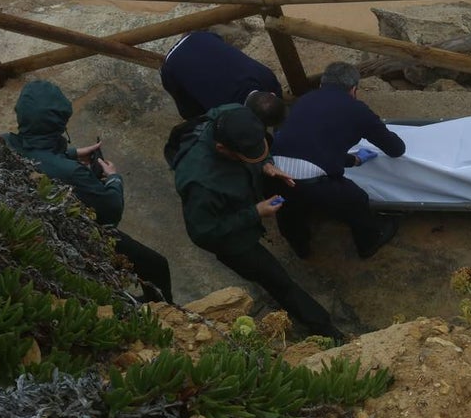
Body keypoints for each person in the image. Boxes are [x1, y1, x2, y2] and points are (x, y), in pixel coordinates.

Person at [170, 104, 343, 340]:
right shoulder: (201, 183)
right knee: (278, 280)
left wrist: (267, 164)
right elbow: (203, 233)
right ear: (222, 149)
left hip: (243, 199)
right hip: (234, 241)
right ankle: (324, 328)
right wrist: (255, 212)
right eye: (249, 156)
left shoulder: (235, 114)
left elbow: (258, 151)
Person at [4, 80, 173, 303]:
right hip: (74, 234)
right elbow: (110, 212)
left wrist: (69, 154)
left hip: (31, 228)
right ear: (60, 123)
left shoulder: (3, 142)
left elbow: (36, 152)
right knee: (156, 265)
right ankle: (161, 308)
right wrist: (113, 178)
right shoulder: (72, 173)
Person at [270, 62, 406, 260]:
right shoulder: (357, 110)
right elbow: (396, 149)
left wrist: (353, 160)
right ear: (353, 89)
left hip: (274, 173)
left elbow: (313, 146)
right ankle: (369, 242)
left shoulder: (303, 101)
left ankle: (300, 247)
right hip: (312, 183)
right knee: (356, 199)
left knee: (288, 210)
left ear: (322, 85)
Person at [160, 30, 286, 127]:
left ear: (271, 94)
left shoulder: (267, 76)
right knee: (193, 113)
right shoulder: (223, 111)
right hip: (172, 64)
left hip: (201, 38)